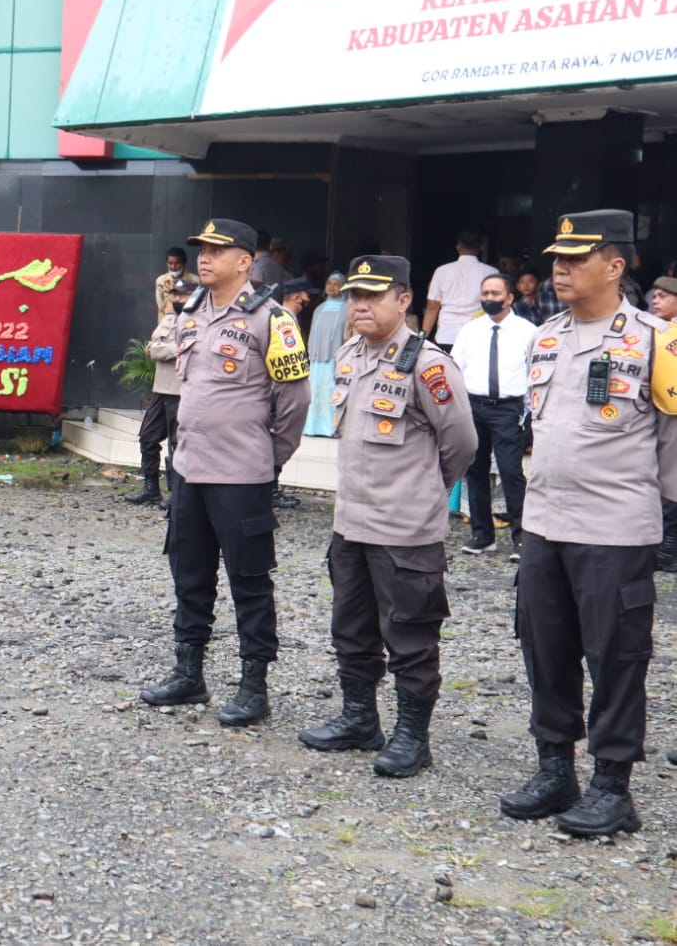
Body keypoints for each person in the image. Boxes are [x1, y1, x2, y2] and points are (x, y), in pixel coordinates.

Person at [500, 209, 677, 838]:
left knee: (616, 656)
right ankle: (556, 769)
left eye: (576, 258)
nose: (560, 267)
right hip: (546, 524)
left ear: (616, 265)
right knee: (545, 649)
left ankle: (612, 786)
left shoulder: (658, 341)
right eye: (557, 257)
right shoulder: (544, 336)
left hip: (615, 532)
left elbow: (672, 446)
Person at [297, 256, 478, 777]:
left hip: (405, 530)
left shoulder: (429, 364)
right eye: (355, 296)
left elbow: (461, 443)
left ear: (403, 300)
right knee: (351, 629)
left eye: (374, 296)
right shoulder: (351, 353)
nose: (361, 305)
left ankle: (411, 737)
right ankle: (360, 719)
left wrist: (425, 489)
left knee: (411, 637)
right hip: (351, 522)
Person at [139, 219, 309, 727]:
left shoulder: (272, 320)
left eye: (217, 249)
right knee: (189, 573)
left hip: (241, 474)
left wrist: (267, 456)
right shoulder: (190, 311)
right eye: (202, 249)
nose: (204, 257)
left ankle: (254, 687)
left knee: (249, 581)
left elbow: (295, 400)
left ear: (246, 261)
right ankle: (189, 673)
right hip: (189, 467)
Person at [450, 273, 536, 561]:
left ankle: (521, 537)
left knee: (511, 471)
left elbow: (534, 375)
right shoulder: (470, 330)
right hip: (474, 407)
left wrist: (529, 414)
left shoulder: (527, 331)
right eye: (485, 292)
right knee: (475, 471)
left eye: (495, 293)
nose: (489, 298)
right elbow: (456, 369)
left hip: (509, 409)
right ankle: (482, 535)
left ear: (509, 298)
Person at [126, 275, 195, 507]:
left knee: (179, 444)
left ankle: (179, 495)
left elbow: (192, 349)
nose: (177, 298)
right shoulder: (169, 319)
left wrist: (167, 349)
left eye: (182, 294)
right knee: (147, 436)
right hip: (162, 389)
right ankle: (151, 487)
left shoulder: (201, 321)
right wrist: (176, 348)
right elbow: (151, 349)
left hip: (182, 391)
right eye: (175, 294)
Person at [423, 231, 498, 348]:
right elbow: (496, 306)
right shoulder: (491, 272)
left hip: (446, 334)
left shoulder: (442, 271)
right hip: (478, 335)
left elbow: (432, 306)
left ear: (458, 247)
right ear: (481, 247)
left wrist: (422, 336)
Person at [304, 272, 348, 436]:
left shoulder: (347, 308)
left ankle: (330, 427)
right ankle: (312, 427)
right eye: (329, 283)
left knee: (331, 390)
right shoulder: (319, 308)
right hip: (317, 361)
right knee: (314, 391)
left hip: (334, 360)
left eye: (336, 283)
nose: (332, 286)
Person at [653, 276, 677, 574]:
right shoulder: (656, 332)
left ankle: (667, 551)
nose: (655, 300)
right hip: (660, 410)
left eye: (662, 296)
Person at [154, 247, 188, 320]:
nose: (173, 266)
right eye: (170, 263)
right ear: (167, 263)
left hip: (188, 323)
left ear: (184, 263)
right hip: (166, 323)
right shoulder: (160, 281)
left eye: (177, 263)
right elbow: (160, 306)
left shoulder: (195, 281)